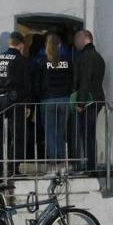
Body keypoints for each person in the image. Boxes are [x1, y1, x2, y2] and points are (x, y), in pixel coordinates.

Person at [0, 31, 31, 177]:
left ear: (9, 42)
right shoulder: (21, 60)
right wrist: (27, 104)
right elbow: (26, 85)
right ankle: (14, 169)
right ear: (21, 45)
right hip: (15, 102)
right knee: (17, 136)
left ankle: (0, 170)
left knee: (0, 137)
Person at [72, 29, 105, 172]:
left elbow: (85, 80)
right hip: (96, 99)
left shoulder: (86, 57)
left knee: (86, 134)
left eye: (77, 39)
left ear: (86, 38)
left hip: (89, 101)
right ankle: (90, 164)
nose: (75, 43)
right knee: (89, 133)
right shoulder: (97, 56)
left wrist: (80, 103)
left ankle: (90, 166)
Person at [36, 32, 73, 161]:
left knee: (50, 132)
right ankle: (61, 159)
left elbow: (37, 82)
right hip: (64, 100)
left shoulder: (41, 61)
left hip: (47, 100)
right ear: (60, 45)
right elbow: (72, 80)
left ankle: (53, 159)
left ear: (46, 45)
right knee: (61, 132)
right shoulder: (67, 61)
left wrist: (39, 95)